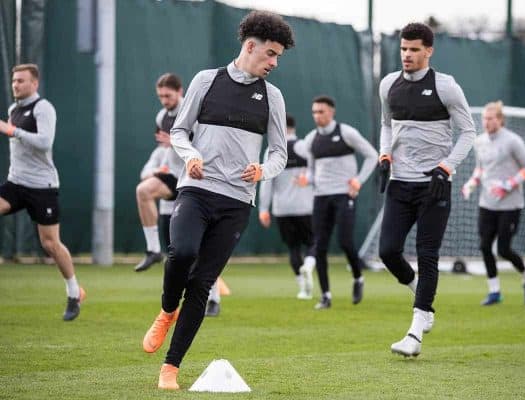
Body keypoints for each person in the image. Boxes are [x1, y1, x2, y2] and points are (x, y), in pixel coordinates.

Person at [141, 11, 294, 390]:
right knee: (181, 253)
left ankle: (170, 369)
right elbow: (179, 130)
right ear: (250, 46)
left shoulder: (272, 97)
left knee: (203, 283)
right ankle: (165, 310)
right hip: (196, 189)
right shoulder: (206, 81)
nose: (274, 63)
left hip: (236, 202)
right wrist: (191, 156)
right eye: (270, 54)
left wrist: (263, 170)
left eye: (279, 57)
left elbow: (279, 153)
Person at [378, 23, 476, 357]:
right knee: (388, 252)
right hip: (399, 183)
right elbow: (386, 125)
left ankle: (416, 331)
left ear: (429, 51)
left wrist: (446, 166)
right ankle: (423, 297)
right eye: (404, 49)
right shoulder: (388, 84)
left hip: (434, 186)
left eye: (414, 49)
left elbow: (468, 133)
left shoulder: (446, 87)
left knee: (427, 253)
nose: (407, 55)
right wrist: (384, 155)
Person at [0, 63, 85, 321]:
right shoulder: (14, 109)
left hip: (43, 188)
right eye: (14, 80)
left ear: (34, 83)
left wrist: (11, 130)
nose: (16, 84)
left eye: (21, 81)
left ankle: (74, 292)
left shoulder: (43, 108)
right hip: (16, 183)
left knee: (51, 244)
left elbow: (45, 142)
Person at [300, 95, 377, 310]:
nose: (317, 116)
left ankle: (358, 277)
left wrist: (358, 181)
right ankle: (325, 295)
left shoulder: (346, 133)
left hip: (344, 195)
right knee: (320, 246)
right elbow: (312, 171)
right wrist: (307, 179)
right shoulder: (311, 139)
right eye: (314, 112)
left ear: (331, 112)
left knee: (345, 242)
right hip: (321, 197)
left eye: (321, 111)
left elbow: (372, 155)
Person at [462, 101, 525, 306]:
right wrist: (471, 183)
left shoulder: (513, 141)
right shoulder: (479, 142)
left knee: (504, 249)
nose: (486, 122)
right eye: (484, 118)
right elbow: (480, 169)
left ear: (500, 120)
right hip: (487, 204)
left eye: (491, 118)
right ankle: (494, 291)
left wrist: (509, 184)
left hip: (510, 205)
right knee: (485, 246)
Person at [258, 114, 316, 299]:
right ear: (294, 128)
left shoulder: (272, 151)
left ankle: (303, 287)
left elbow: (266, 182)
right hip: (306, 207)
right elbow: (317, 170)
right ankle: (308, 265)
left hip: (282, 209)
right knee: (313, 243)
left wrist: (263, 209)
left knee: (293, 248)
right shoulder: (304, 147)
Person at [135, 73, 185, 272]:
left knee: (198, 249)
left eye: (168, 96)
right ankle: (154, 250)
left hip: (195, 177)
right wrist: (157, 169)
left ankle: (214, 300)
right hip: (174, 175)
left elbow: (203, 146)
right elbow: (163, 149)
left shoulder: (191, 112)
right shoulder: (161, 116)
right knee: (143, 191)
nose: (164, 101)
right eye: (161, 96)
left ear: (180, 92)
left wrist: (174, 142)